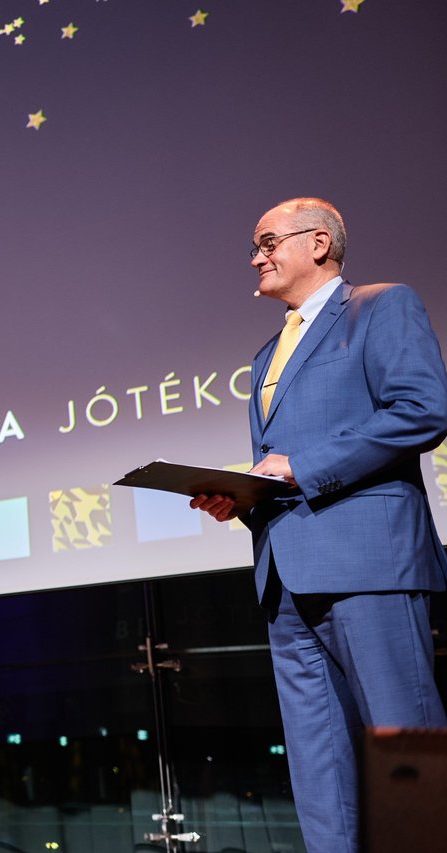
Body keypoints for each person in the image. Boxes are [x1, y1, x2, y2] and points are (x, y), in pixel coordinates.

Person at [191, 197, 447, 853]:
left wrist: (301, 468)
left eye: (268, 242)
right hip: (285, 576)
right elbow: (279, 466)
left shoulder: (380, 306)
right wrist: (242, 498)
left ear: (319, 243)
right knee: (319, 766)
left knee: (404, 745)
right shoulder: (264, 355)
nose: (256, 257)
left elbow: (422, 410)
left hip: (369, 563)